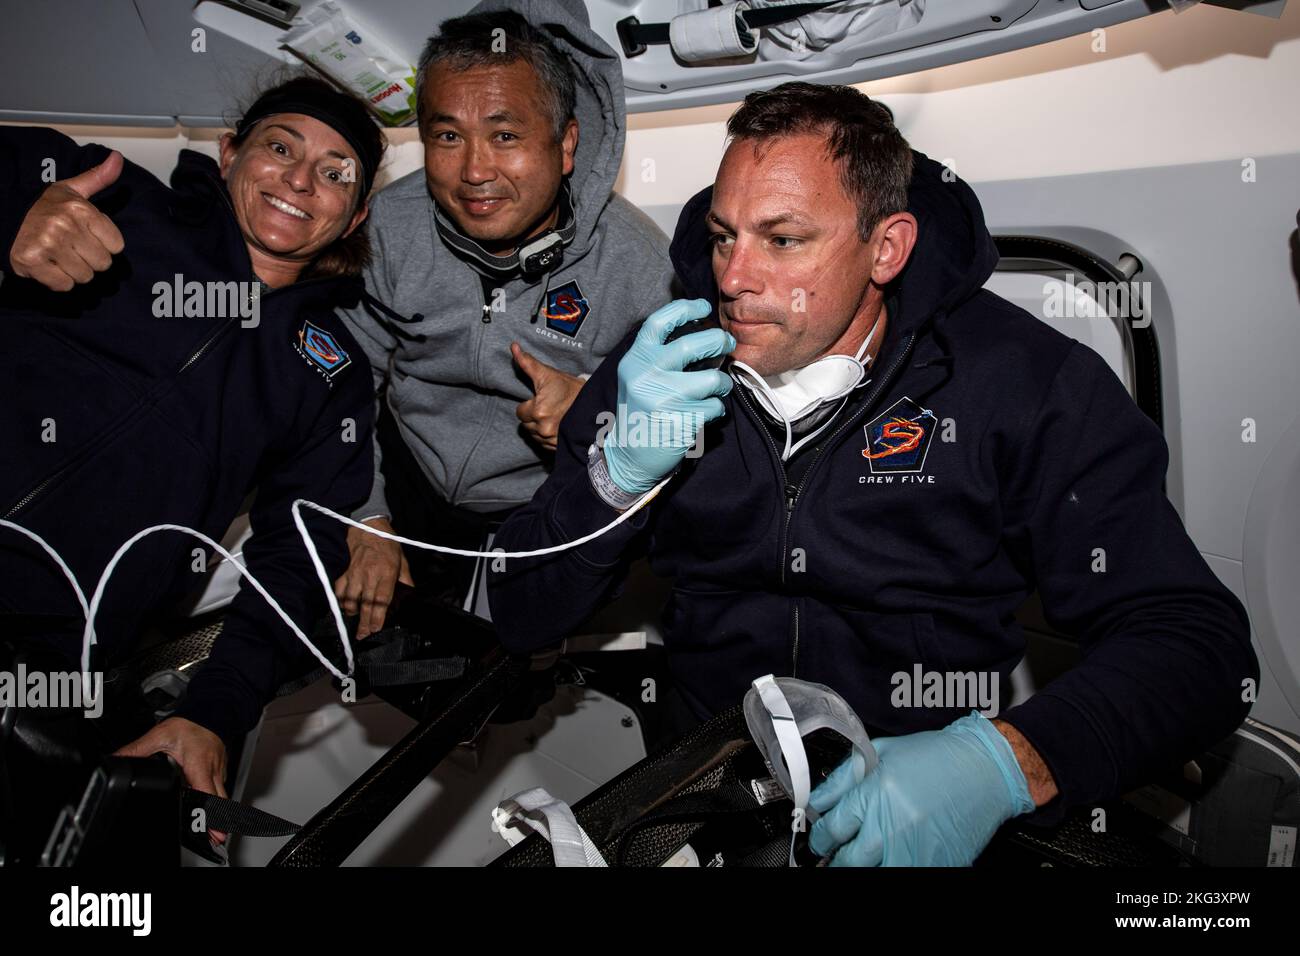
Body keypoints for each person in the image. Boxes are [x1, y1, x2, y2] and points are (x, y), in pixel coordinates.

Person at [486, 82, 1259, 865]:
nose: (733, 279)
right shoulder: (663, 364)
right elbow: (518, 612)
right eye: (724, 237)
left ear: (886, 248)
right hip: (709, 773)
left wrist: (1002, 765)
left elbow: (1199, 649)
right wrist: (613, 480)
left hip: (920, 791)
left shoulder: (1025, 383)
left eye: (783, 240)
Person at [0, 75, 383, 844]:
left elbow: (296, 558)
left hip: (50, 665)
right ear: (230, 151)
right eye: (280, 147)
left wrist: (216, 711)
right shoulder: (110, 201)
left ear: (356, 215)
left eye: (337, 172)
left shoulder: (332, 371)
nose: (303, 181)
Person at [334, 0, 678, 637]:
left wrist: (596, 414)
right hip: (403, 476)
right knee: (394, 664)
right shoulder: (388, 226)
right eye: (447, 136)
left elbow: (687, 443)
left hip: (541, 502)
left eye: (505, 135)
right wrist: (366, 519)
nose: (473, 172)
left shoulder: (644, 269)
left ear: (566, 144)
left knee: (516, 671)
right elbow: (340, 386)